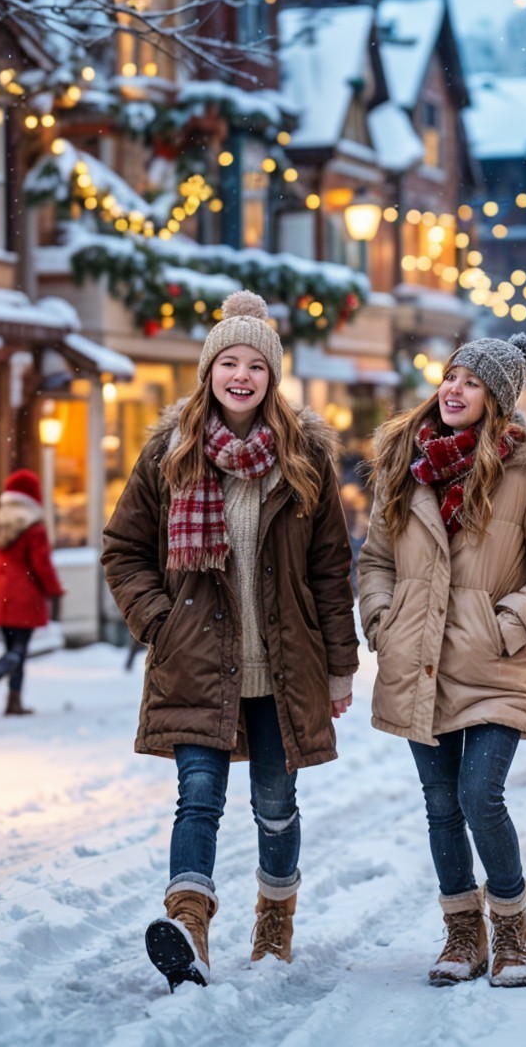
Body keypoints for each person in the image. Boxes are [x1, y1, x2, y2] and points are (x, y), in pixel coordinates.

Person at [101, 291, 358, 991]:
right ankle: (190, 927)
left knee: (275, 806)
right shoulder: (171, 453)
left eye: (256, 365)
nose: (241, 376)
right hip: (197, 662)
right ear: (209, 368)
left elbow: (332, 570)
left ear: (273, 378)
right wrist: (160, 621)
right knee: (198, 798)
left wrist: (341, 665)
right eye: (228, 362)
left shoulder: (303, 458)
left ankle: (274, 918)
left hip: (283, 668)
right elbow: (124, 549)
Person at [360, 333, 526, 989]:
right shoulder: (407, 466)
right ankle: (464, 932)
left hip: (493, 664)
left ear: (498, 399)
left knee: (478, 795)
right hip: (418, 658)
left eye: (472, 382)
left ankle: (513, 926)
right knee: (440, 804)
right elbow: (375, 559)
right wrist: (382, 620)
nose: (454, 390)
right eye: (450, 377)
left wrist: (509, 624)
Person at [0, 469, 64, 718]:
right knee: (19, 649)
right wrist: (54, 590)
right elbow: (41, 565)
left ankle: (13, 700)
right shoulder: (34, 526)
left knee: (12, 647)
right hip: (25, 594)